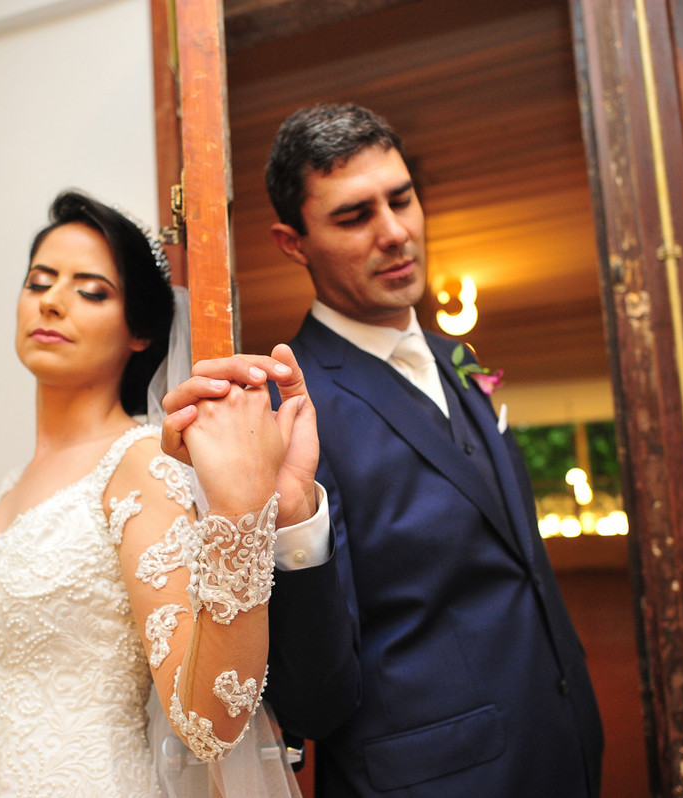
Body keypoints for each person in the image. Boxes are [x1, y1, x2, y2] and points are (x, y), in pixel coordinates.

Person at [163, 104, 604, 796]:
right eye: (354, 216)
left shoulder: (458, 360)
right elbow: (314, 701)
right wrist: (295, 518)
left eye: (401, 199)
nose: (395, 232)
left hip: (560, 752)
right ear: (292, 243)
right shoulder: (291, 408)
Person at [0, 190, 313, 797]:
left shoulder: (137, 466)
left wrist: (241, 518)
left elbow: (208, 724)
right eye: (39, 283)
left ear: (140, 330)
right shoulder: (12, 487)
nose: (52, 301)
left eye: (91, 291)